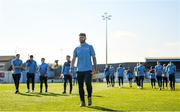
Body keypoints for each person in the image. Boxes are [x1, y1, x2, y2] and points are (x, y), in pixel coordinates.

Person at [71, 33, 97, 107]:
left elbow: (94, 57)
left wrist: (95, 68)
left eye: (82, 37)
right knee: (80, 86)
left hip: (88, 69)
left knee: (88, 84)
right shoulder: (77, 48)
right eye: (80, 37)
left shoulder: (89, 47)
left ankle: (89, 97)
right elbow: (73, 59)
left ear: (85, 38)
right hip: (79, 70)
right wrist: (71, 68)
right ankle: (82, 101)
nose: (81, 38)